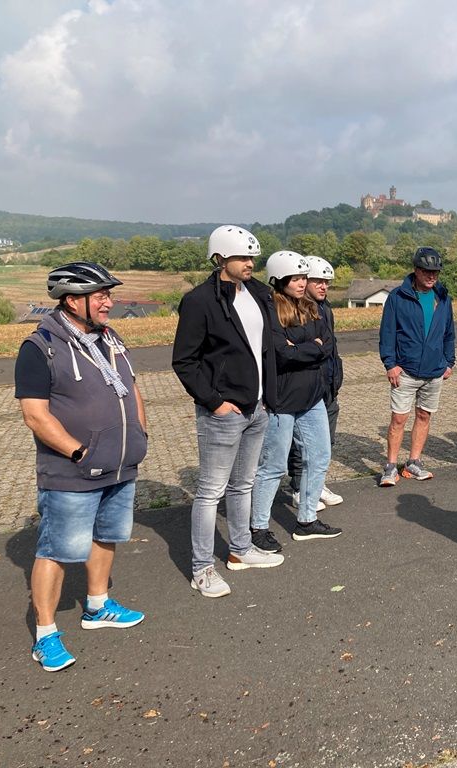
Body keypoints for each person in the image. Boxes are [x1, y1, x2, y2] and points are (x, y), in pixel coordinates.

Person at [16, 262, 148, 672]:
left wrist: (140, 435)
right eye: (101, 295)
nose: (110, 301)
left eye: (109, 293)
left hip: (120, 466)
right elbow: (36, 415)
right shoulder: (40, 348)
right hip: (72, 472)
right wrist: (79, 453)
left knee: (106, 536)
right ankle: (45, 634)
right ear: (74, 300)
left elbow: (132, 388)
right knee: (57, 551)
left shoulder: (111, 339)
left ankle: (97, 606)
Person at [172, 225, 284, 599]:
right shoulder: (200, 301)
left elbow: (266, 347)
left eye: (252, 257)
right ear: (220, 258)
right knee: (210, 492)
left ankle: (240, 549)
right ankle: (202, 568)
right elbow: (184, 361)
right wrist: (214, 402)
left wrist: (267, 396)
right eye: (242, 258)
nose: (251, 263)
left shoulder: (258, 294)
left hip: (258, 407)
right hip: (223, 412)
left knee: (243, 485)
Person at [249, 251, 342, 550]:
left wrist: (301, 345)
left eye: (304, 278)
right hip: (283, 400)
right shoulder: (270, 310)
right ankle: (258, 527)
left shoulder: (311, 307)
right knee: (274, 465)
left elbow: (326, 345)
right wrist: (309, 344)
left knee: (320, 456)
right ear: (279, 279)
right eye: (296, 278)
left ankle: (306, 519)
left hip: (312, 397)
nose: (303, 283)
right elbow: (280, 352)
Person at [377, 246, 456, 486]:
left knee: (424, 416)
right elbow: (387, 333)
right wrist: (390, 364)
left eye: (436, 272)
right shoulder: (397, 297)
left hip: (434, 372)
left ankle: (413, 463)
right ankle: (391, 466)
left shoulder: (443, 297)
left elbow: (449, 333)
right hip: (406, 371)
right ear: (416, 270)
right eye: (427, 271)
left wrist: (449, 362)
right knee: (399, 419)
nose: (432, 276)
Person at [286, 255, 343, 511]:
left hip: (328, 384)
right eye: (318, 282)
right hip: (307, 385)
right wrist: (315, 348)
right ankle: (299, 488)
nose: (323, 287)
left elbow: (329, 346)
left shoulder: (325, 308)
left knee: (325, 441)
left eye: (327, 283)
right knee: (302, 444)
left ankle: (316, 484)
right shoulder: (296, 309)